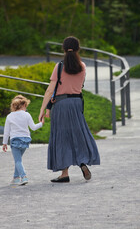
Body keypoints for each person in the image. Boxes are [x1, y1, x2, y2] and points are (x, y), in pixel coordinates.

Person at [39, 36, 100, 183]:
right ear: (78, 48)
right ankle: (82, 162)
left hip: (61, 104)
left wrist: (42, 109)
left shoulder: (59, 66)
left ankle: (64, 173)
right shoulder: (83, 66)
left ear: (64, 49)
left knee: (61, 137)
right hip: (76, 103)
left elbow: (50, 90)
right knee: (78, 134)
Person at [2, 95, 43, 186]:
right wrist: (41, 123)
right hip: (25, 140)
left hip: (15, 140)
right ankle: (16, 178)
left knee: (18, 161)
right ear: (23, 104)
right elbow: (33, 127)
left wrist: (4, 143)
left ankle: (23, 177)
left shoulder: (9, 116)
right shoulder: (27, 115)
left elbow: (6, 131)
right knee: (18, 160)